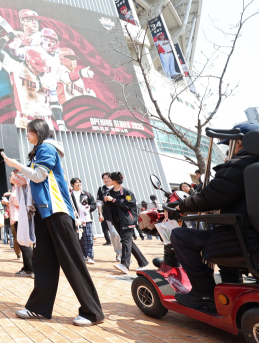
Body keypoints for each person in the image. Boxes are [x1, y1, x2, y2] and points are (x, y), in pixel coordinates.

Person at [3, 119, 104, 327]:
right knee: (43, 261)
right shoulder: (40, 151)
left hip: (57, 211)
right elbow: (37, 179)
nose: (27, 136)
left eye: (29, 132)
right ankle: (38, 308)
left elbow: (40, 176)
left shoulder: (47, 148)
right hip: (42, 213)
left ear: (37, 131)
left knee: (72, 260)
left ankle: (92, 312)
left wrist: (16, 165)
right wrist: (23, 179)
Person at [170, 123, 259, 311]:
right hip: (251, 236)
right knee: (222, 232)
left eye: (231, 145)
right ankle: (232, 287)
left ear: (242, 143)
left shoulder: (240, 165)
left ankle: (203, 291)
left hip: (246, 241)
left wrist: (181, 206)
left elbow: (211, 197)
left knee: (180, 236)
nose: (229, 150)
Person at [103, 172, 149, 274]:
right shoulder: (109, 192)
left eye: (109, 178)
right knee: (128, 242)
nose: (107, 180)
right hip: (116, 221)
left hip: (127, 220)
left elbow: (128, 205)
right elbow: (108, 207)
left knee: (125, 241)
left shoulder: (127, 193)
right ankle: (144, 263)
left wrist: (113, 200)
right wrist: (106, 201)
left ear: (114, 180)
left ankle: (124, 265)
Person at [69, 178, 96, 265]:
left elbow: (93, 204)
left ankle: (89, 256)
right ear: (72, 184)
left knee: (88, 237)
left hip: (86, 219)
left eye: (79, 182)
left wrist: (89, 208)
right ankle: (82, 255)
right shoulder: (69, 194)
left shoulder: (86, 194)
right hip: (75, 219)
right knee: (78, 238)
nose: (79, 184)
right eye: (76, 182)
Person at [97, 172, 122, 261]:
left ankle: (126, 253)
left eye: (108, 178)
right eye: (104, 178)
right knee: (114, 234)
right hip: (108, 215)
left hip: (120, 214)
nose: (106, 180)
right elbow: (99, 202)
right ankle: (119, 253)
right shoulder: (101, 189)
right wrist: (100, 214)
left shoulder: (118, 187)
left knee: (123, 235)